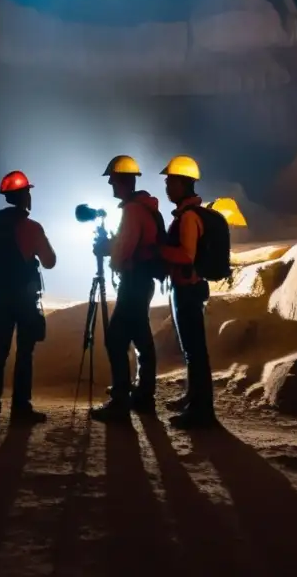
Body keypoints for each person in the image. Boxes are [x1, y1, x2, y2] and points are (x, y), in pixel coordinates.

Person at [0, 171, 56, 425]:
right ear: (24, 197)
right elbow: (50, 261)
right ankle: (21, 409)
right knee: (24, 353)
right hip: (24, 299)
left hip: (0, 298)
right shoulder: (31, 228)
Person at [91, 155, 163, 422]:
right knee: (141, 338)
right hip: (141, 281)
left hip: (134, 282)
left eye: (113, 178)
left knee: (116, 338)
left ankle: (122, 400)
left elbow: (125, 249)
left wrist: (108, 250)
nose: (110, 182)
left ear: (123, 181)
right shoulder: (144, 208)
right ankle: (143, 396)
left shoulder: (133, 211)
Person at [160, 155, 217, 429]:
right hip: (187, 289)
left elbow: (186, 255)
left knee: (195, 350)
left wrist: (158, 250)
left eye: (170, 181)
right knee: (192, 350)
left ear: (183, 184)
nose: (167, 187)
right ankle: (193, 399)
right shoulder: (187, 215)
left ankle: (201, 410)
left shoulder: (189, 218)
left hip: (188, 290)